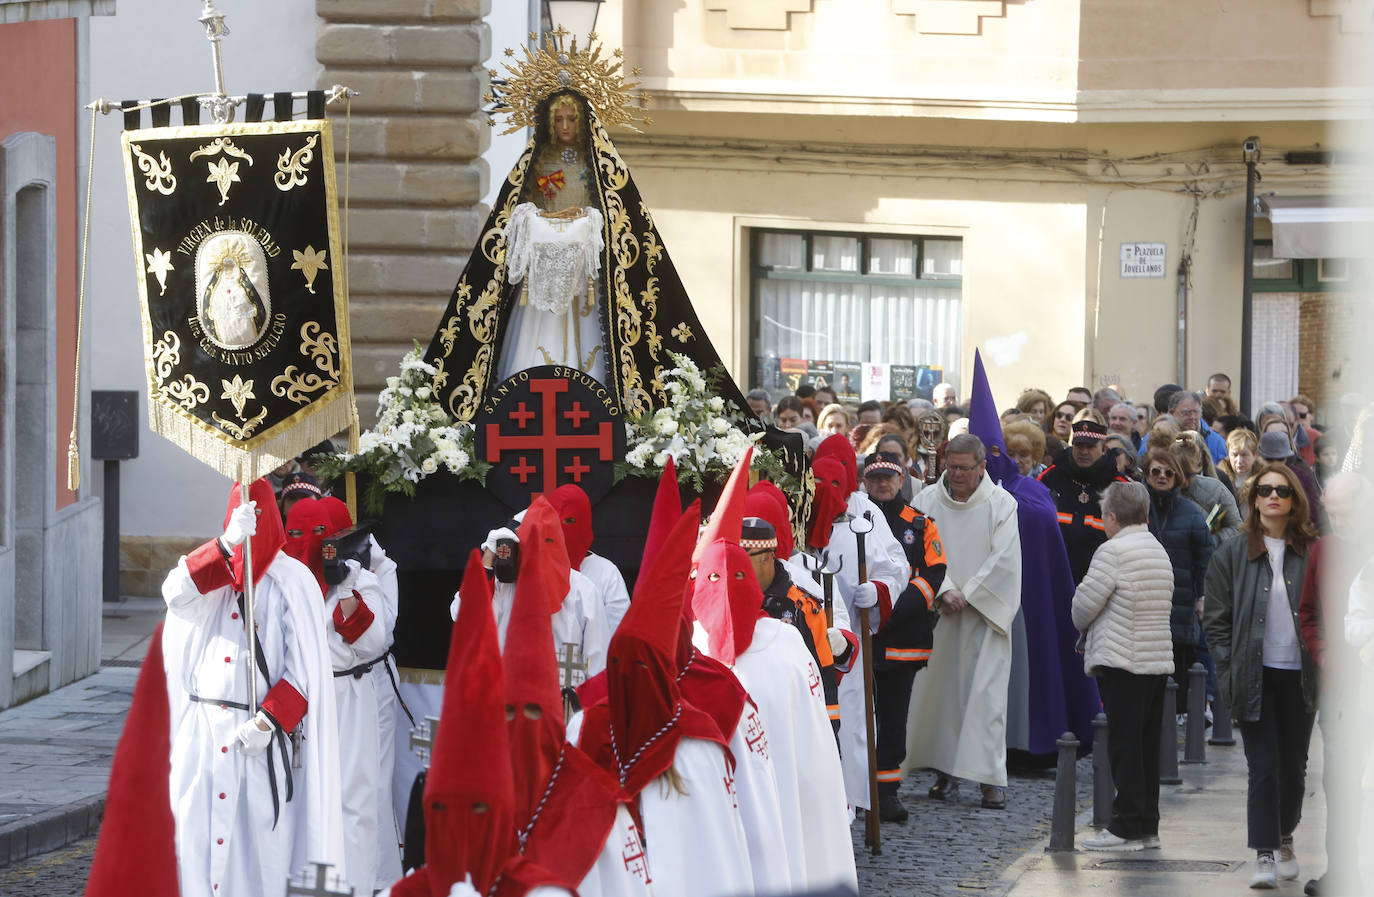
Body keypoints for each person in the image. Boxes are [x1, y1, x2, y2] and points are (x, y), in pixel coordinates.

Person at [160, 479, 344, 896]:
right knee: (196, 842)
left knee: (259, 846)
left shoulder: (291, 581)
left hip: (257, 738)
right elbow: (175, 595)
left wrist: (268, 721)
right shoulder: (213, 573)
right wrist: (226, 545)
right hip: (204, 737)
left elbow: (305, 671)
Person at [1204, 463, 1319, 890]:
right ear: (1253, 499)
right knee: (1264, 767)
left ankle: (1286, 835)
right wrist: (1228, 666)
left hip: (1301, 674)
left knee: (1294, 770)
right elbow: (1215, 618)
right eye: (1265, 490)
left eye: (1283, 491)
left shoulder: (1311, 551)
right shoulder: (1233, 553)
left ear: (1295, 501)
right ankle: (1265, 853)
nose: (1274, 497)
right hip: (1253, 673)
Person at [908, 434, 1022, 809]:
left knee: (985, 700)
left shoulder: (1002, 504)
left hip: (983, 617)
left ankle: (990, 779)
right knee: (940, 697)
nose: (956, 475)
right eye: (951, 467)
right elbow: (917, 552)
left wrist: (967, 592)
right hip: (939, 613)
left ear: (981, 467)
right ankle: (945, 772)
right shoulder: (925, 501)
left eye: (964, 468)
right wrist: (945, 589)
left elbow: (1004, 560)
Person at [807, 434, 909, 813]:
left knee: (851, 720)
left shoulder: (866, 512)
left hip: (849, 640)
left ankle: (851, 801)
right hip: (805, 632)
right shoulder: (804, 503)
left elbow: (896, 565)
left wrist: (878, 590)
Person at [1072, 481, 1175, 851]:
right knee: (1146, 745)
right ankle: (1147, 825)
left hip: (1122, 658)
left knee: (1124, 745)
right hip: (1156, 659)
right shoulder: (1156, 548)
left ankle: (1125, 826)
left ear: (1112, 517)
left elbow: (1083, 606)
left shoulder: (1112, 551)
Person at [861, 451, 948, 821]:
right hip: (861, 638)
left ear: (901, 480)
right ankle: (858, 791)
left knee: (894, 719)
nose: (882, 483)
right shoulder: (853, 521)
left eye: (889, 477)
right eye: (875, 477)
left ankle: (888, 792)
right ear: (865, 481)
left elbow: (933, 574)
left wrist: (889, 608)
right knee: (858, 718)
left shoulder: (921, 524)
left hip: (902, 637)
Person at [1295, 473, 1370, 896]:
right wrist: (1325, 655)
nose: (1338, 520)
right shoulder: (1324, 550)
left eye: (1347, 512)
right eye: (1333, 512)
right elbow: (1308, 613)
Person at [450, 514, 610, 687]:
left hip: (564, 705)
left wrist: (584, 713)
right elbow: (462, 615)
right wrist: (487, 561)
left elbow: (598, 667)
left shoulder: (583, 590)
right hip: (508, 703)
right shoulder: (503, 585)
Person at [1143, 451, 1213, 723]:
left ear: (1177, 477)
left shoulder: (1192, 513)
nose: (1161, 476)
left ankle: (1181, 711)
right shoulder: (1138, 508)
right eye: (1155, 471)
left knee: (1179, 653)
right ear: (1146, 475)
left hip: (1181, 596)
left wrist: (1202, 595)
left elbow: (1205, 558)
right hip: (1147, 597)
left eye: (1168, 472)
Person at [1038, 420, 1128, 585]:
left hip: (1102, 579)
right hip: (1054, 574)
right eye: (1079, 446)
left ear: (1103, 449)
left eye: (1091, 447)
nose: (1084, 452)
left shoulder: (1120, 486)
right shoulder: (1050, 478)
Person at [547, 484, 632, 636]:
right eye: (555, 520)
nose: (561, 530)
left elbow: (619, 633)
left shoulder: (607, 573)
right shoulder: (534, 569)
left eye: (569, 521)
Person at [1171, 434, 1242, 545]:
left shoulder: (1216, 489)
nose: (1183, 481)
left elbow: (1237, 528)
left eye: (1189, 475)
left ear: (1198, 467)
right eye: (1178, 475)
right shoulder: (1160, 491)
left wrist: (1208, 541)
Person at [1258, 430, 1324, 532]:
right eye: (1270, 460)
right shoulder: (1254, 477)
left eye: (1280, 459)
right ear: (1260, 458)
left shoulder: (1300, 477)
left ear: (1286, 458)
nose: (1275, 465)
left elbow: (1313, 513)